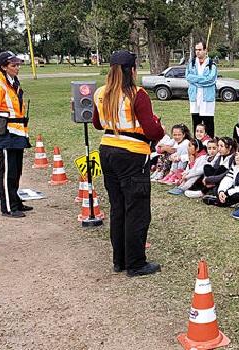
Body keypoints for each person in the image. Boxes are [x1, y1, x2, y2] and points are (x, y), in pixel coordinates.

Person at [92, 50, 165, 277]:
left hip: (108, 150)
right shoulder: (137, 94)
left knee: (118, 207)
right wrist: (157, 125)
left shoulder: (100, 93)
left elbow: (96, 123)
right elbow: (153, 131)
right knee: (137, 209)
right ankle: (136, 263)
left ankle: (120, 260)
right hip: (132, 154)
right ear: (132, 70)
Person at [0, 51, 32, 218]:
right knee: (8, 171)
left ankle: (15, 200)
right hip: (6, 133)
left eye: (18, 64)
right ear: (3, 66)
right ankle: (8, 207)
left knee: (16, 170)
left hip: (18, 132)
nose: (17, 68)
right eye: (13, 65)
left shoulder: (13, 82)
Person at [206, 144, 239, 208]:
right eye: (236, 154)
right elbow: (228, 178)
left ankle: (220, 201)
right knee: (218, 189)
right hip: (234, 188)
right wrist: (222, 191)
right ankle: (225, 200)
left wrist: (227, 193)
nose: (237, 157)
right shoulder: (235, 164)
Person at [186, 41, 218, 137]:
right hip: (194, 97)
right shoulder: (191, 63)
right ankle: (197, 144)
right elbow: (188, 77)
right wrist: (202, 80)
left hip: (207, 98)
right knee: (196, 122)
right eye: (196, 50)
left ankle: (210, 144)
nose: (197, 52)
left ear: (205, 50)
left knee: (208, 123)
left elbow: (211, 79)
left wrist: (196, 81)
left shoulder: (211, 64)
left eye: (200, 50)